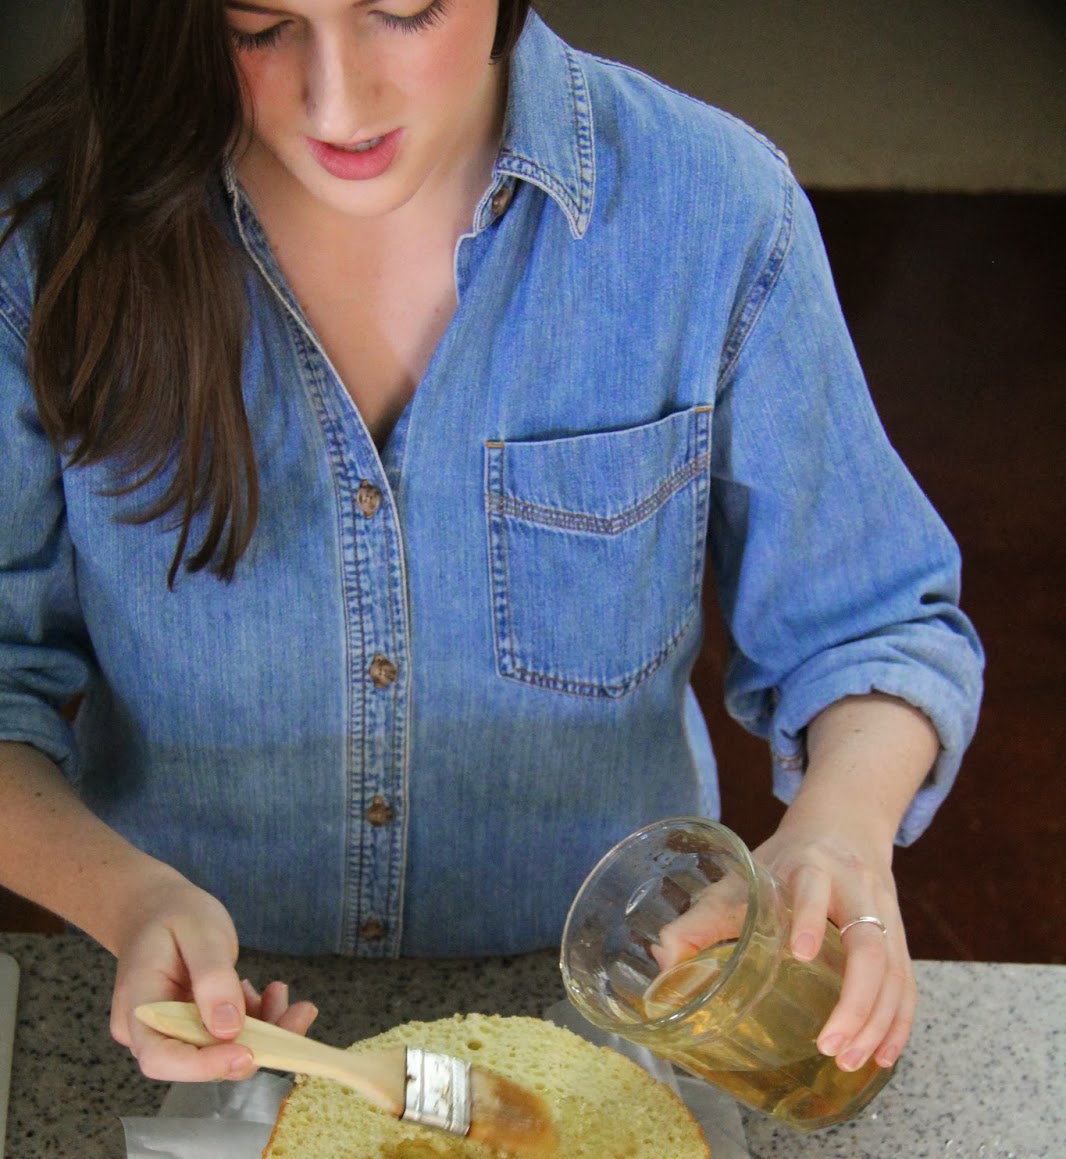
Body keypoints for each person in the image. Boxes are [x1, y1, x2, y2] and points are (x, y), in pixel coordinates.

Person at [0, 1, 983, 1088]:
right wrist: (127, 898)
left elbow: (876, 623)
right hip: (213, 1034)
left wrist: (841, 825)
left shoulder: (712, 210)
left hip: (615, 1023)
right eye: (260, 26)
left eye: (402, 10)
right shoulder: (40, 246)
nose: (338, 99)